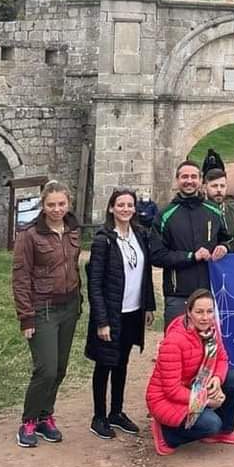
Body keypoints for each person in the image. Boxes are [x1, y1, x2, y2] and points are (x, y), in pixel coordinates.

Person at [11, 180, 81, 448]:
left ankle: (45, 416)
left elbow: (73, 266)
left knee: (60, 368)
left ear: (68, 204)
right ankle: (28, 421)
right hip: (43, 309)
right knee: (46, 369)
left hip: (69, 307)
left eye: (61, 204)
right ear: (43, 206)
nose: (56, 209)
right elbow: (20, 277)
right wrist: (26, 316)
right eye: (51, 205)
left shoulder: (73, 229)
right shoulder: (29, 235)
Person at [85, 188, 156, 440]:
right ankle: (99, 416)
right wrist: (101, 320)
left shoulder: (139, 235)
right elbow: (94, 283)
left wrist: (148, 305)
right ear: (111, 208)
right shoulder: (103, 239)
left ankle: (116, 412)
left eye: (130, 205)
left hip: (132, 311)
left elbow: (144, 273)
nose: (125, 209)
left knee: (122, 363)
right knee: (105, 364)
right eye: (121, 205)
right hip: (111, 313)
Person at [145, 289, 234, 455]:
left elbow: (222, 359)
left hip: (197, 384)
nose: (205, 317)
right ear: (189, 312)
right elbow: (171, 390)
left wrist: (217, 379)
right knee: (211, 424)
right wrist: (206, 400)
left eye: (209, 311)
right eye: (199, 312)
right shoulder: (174, 341)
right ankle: (168, 434)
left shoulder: (211, 330)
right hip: (165, 398)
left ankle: (223, 431)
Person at [149, 161, 231, 328]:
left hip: (209, 291)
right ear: (177, 180)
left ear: (200, 180)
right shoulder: (165, 215)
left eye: (194, 176)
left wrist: (225, 247)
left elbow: (228, 239)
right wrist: (191, 256)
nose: (189, 181)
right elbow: (157, 255)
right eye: (184, 177)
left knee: (209, 346)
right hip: (179, 294)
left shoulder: (214, 211)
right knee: (177, 344)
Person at [204, 169, 234, 253]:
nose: (219, 190)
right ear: (204, 188)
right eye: (214, 186)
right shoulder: (197, 214)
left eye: (222, 186)